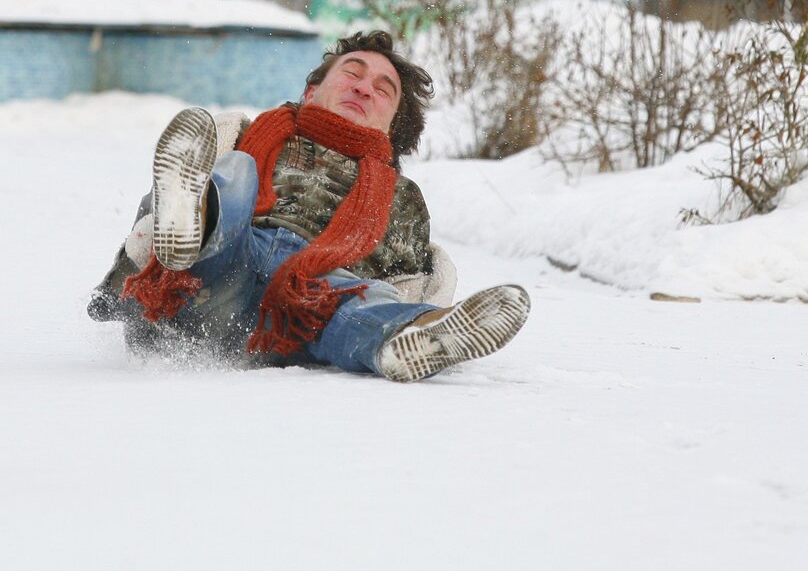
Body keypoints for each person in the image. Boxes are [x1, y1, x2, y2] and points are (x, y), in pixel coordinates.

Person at [88, 30, 529, 382]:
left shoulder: (401, 196)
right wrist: (138, 257)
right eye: (352, 73)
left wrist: (425, 302)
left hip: (303, 310)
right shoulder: (243, 134)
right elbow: (155, 206)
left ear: (394, 124)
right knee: (235, 173)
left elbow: (402, 278)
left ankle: (406, 337)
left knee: (361, 299)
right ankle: (194, 231)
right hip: (217, 278)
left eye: (383, 89)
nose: (364, 87)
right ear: (312, 90)